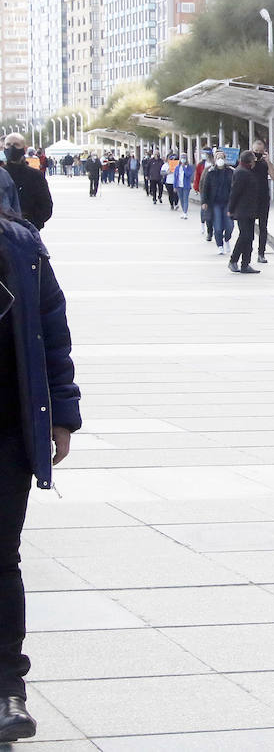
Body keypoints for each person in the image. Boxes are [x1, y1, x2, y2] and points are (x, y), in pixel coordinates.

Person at [0, 199, 81, 743]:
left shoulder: (21, 247)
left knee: (1, 558)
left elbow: (53, 333)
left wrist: (63, 415)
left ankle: (7, 690)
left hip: (5, 430)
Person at [2, 137, 53, 229]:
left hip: (28, 231)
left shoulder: (35, 176)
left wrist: (31, 223)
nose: (12, 148)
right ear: (3, 148)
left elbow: (46, 207)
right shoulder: (2, 175)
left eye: (16, 145)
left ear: (24, 149)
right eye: (8, 145)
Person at [227, 151, 263, 274]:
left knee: (249, 237)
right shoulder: (241, 172)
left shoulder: (247, 171)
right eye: (253, 160)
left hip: (250, 210)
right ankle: (233, 260)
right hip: (243, 210)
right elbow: (235, 192)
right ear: (249, 161)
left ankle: (245, 264)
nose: (255, 162)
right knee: (245, 236)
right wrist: (230, 209)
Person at [199, 153, 234, 254]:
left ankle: (227, 239)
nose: (220, 160)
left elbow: (234, 186)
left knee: (229, 225)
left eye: (222, 158)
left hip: (228, 202)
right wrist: (204, 201)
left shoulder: (230, 172)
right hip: (215, 203)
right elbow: (205, 188)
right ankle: (220, 245)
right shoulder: (210, 172)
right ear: (215, 160)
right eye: (218, 158)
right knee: (217, 226)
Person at [250, 140, 274, 263]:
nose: (258, 154)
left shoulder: (265, 163)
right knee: (249, 228)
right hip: (250, 199)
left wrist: (268, 161)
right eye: (256, 152)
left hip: (263, 198)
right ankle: (247, 251)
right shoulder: (248, 163)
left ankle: (261, 253)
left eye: (260, 152)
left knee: (263, 227)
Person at [171, 155, 193, 220]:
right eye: (182, 158)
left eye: (184, 158)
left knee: (185, 199)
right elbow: (175, 177)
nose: (183, 160)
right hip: (179, 186)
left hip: (186, 186)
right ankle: (183, 211)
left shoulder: (188, 167)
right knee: (181, 199)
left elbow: (188, 175)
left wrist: (184, 168)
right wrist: (174, 186)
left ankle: (185, 213)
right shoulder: (177, 167)